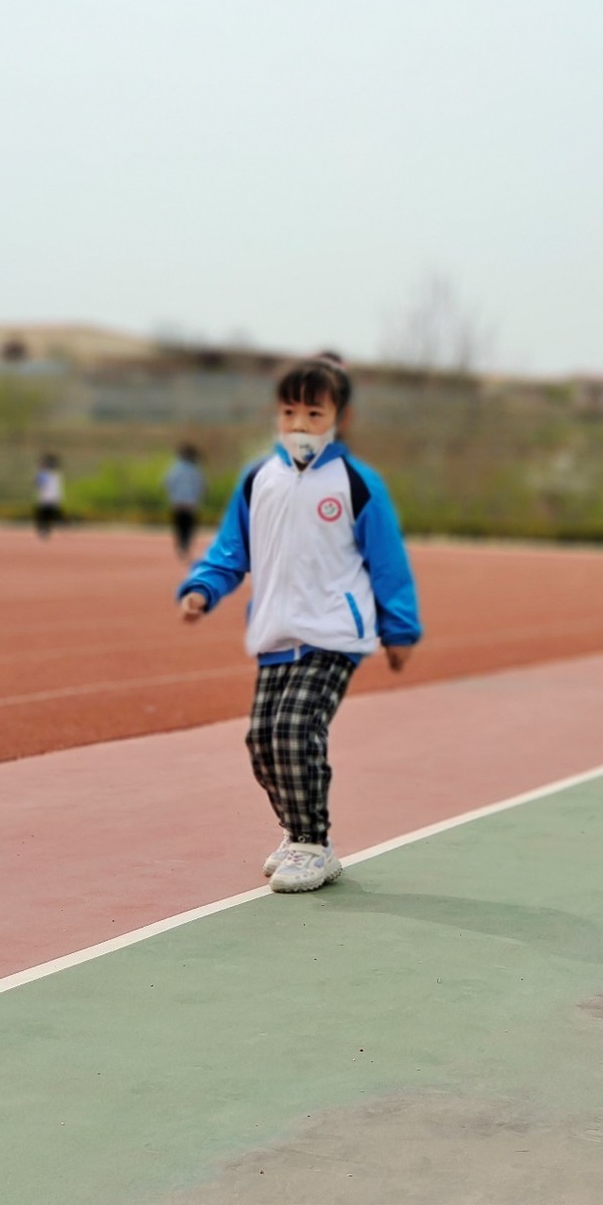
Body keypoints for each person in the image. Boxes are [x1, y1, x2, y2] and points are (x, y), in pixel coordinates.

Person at [177, 357, 422, 893]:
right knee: (262, 742)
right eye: (290, 412)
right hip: (275, 634)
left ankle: (315, 844)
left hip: (334, 633)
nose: (300, 424)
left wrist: (398, 632)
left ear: (340, 418)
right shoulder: (258, 479)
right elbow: (230, 549)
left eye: (315, 413)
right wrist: (202, 588)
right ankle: (295, 830)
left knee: (295, 730)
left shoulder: (356, 483)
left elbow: (388, 562)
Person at [163, 444, 206, 557]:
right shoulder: (195, 470)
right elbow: (201, 485)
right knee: (188, 526)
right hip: (190, 503)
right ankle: (185, 544)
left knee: (179, 525)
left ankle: (181, 544)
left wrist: (172, 496)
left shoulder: (175, 468)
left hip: (178, 502)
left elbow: (168, 483)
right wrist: (197, 498)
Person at [34, 453, 64, 537]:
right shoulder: (55, 474)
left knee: (44, 515)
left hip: (46, 497)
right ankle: (47, 528)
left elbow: (39, 485)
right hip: (52, 497)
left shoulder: (45, 474)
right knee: (48, 514)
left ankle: (45, 529)